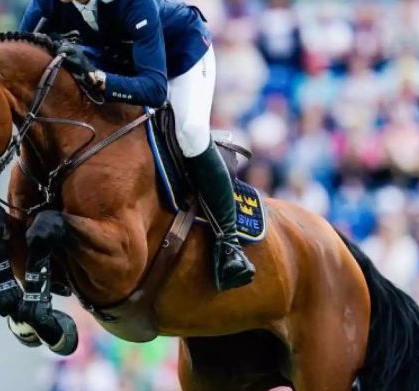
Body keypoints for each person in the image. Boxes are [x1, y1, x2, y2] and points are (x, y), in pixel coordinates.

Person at [19, 0, 255, 291]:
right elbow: (20, 60)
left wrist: (96, 77)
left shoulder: (133, 3)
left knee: (190, 132)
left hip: (180, 56)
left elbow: (155, 90)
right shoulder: (46, 5)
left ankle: (229, 244)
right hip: (120, 59)